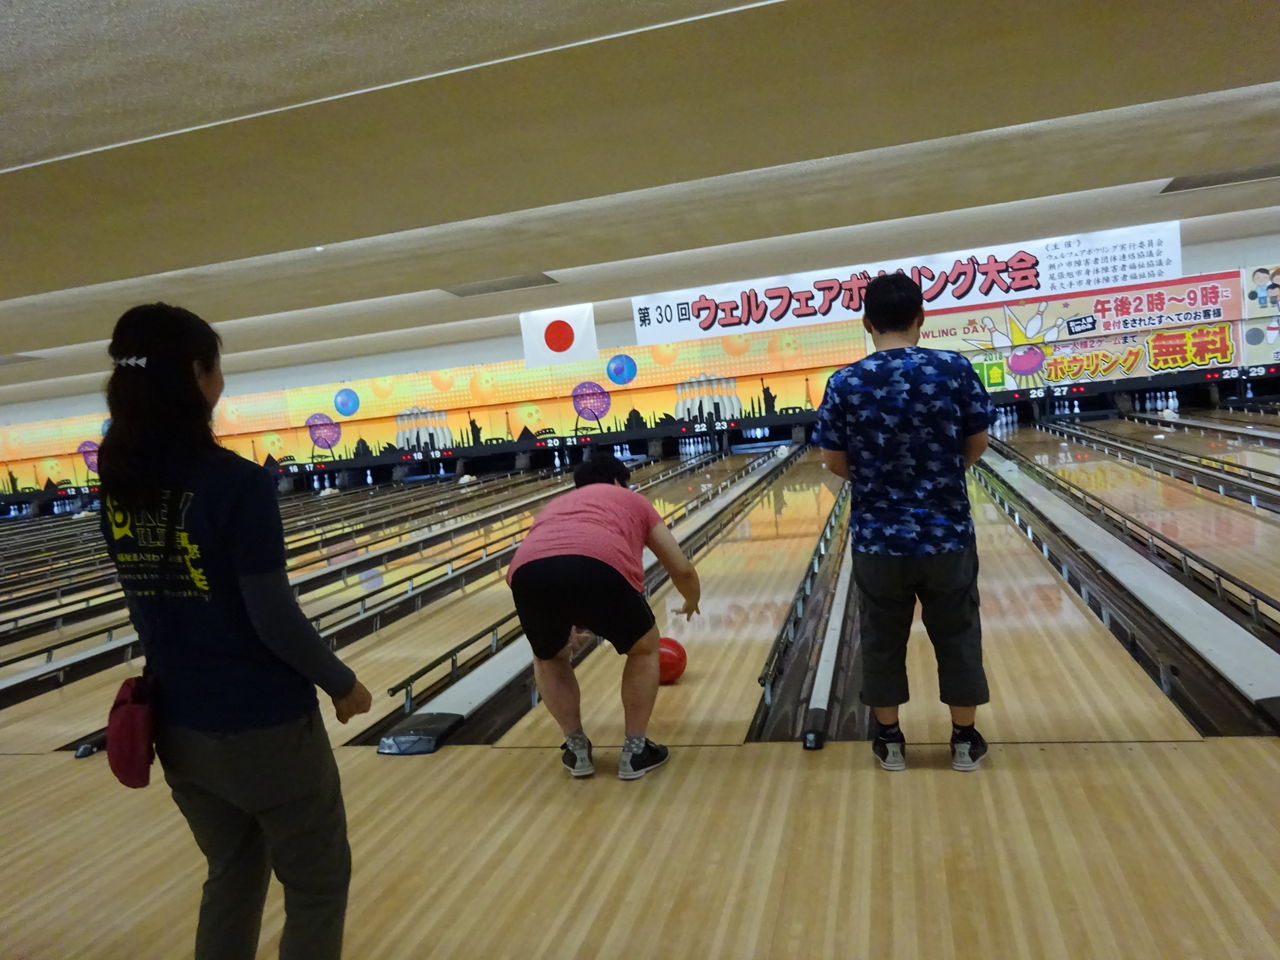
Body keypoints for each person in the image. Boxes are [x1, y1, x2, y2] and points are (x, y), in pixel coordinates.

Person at [97, 303, 372, 960]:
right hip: (264, 726)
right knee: (317, 885)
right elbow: (271, 614)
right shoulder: (236, 483)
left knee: (232, 873)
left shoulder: (117, 487)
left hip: (178, 728)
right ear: (198, 374)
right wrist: (341, 682)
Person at [812, 274, 993, 772]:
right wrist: (943, 476)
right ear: (922, 317)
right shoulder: (954, 369)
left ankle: (890, 740)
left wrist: (876, 484)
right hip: (948, 535)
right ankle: (964, 740)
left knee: (881, 638)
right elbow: (977, 441)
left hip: (877, 541)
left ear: (866, 323)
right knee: (958, 634)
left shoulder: (845, 382)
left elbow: (832, 459)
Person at [506, 453, 700, 779]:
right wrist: (692, 599)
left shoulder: (556, 505)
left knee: (549, 657)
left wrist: (564, 621)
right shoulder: (632, 500)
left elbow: (554, 557)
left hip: (528, 574)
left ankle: (576, 748)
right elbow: (681, 568)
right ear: (617, 482)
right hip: (599, 567)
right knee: (644, 648)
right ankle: (635, 752)